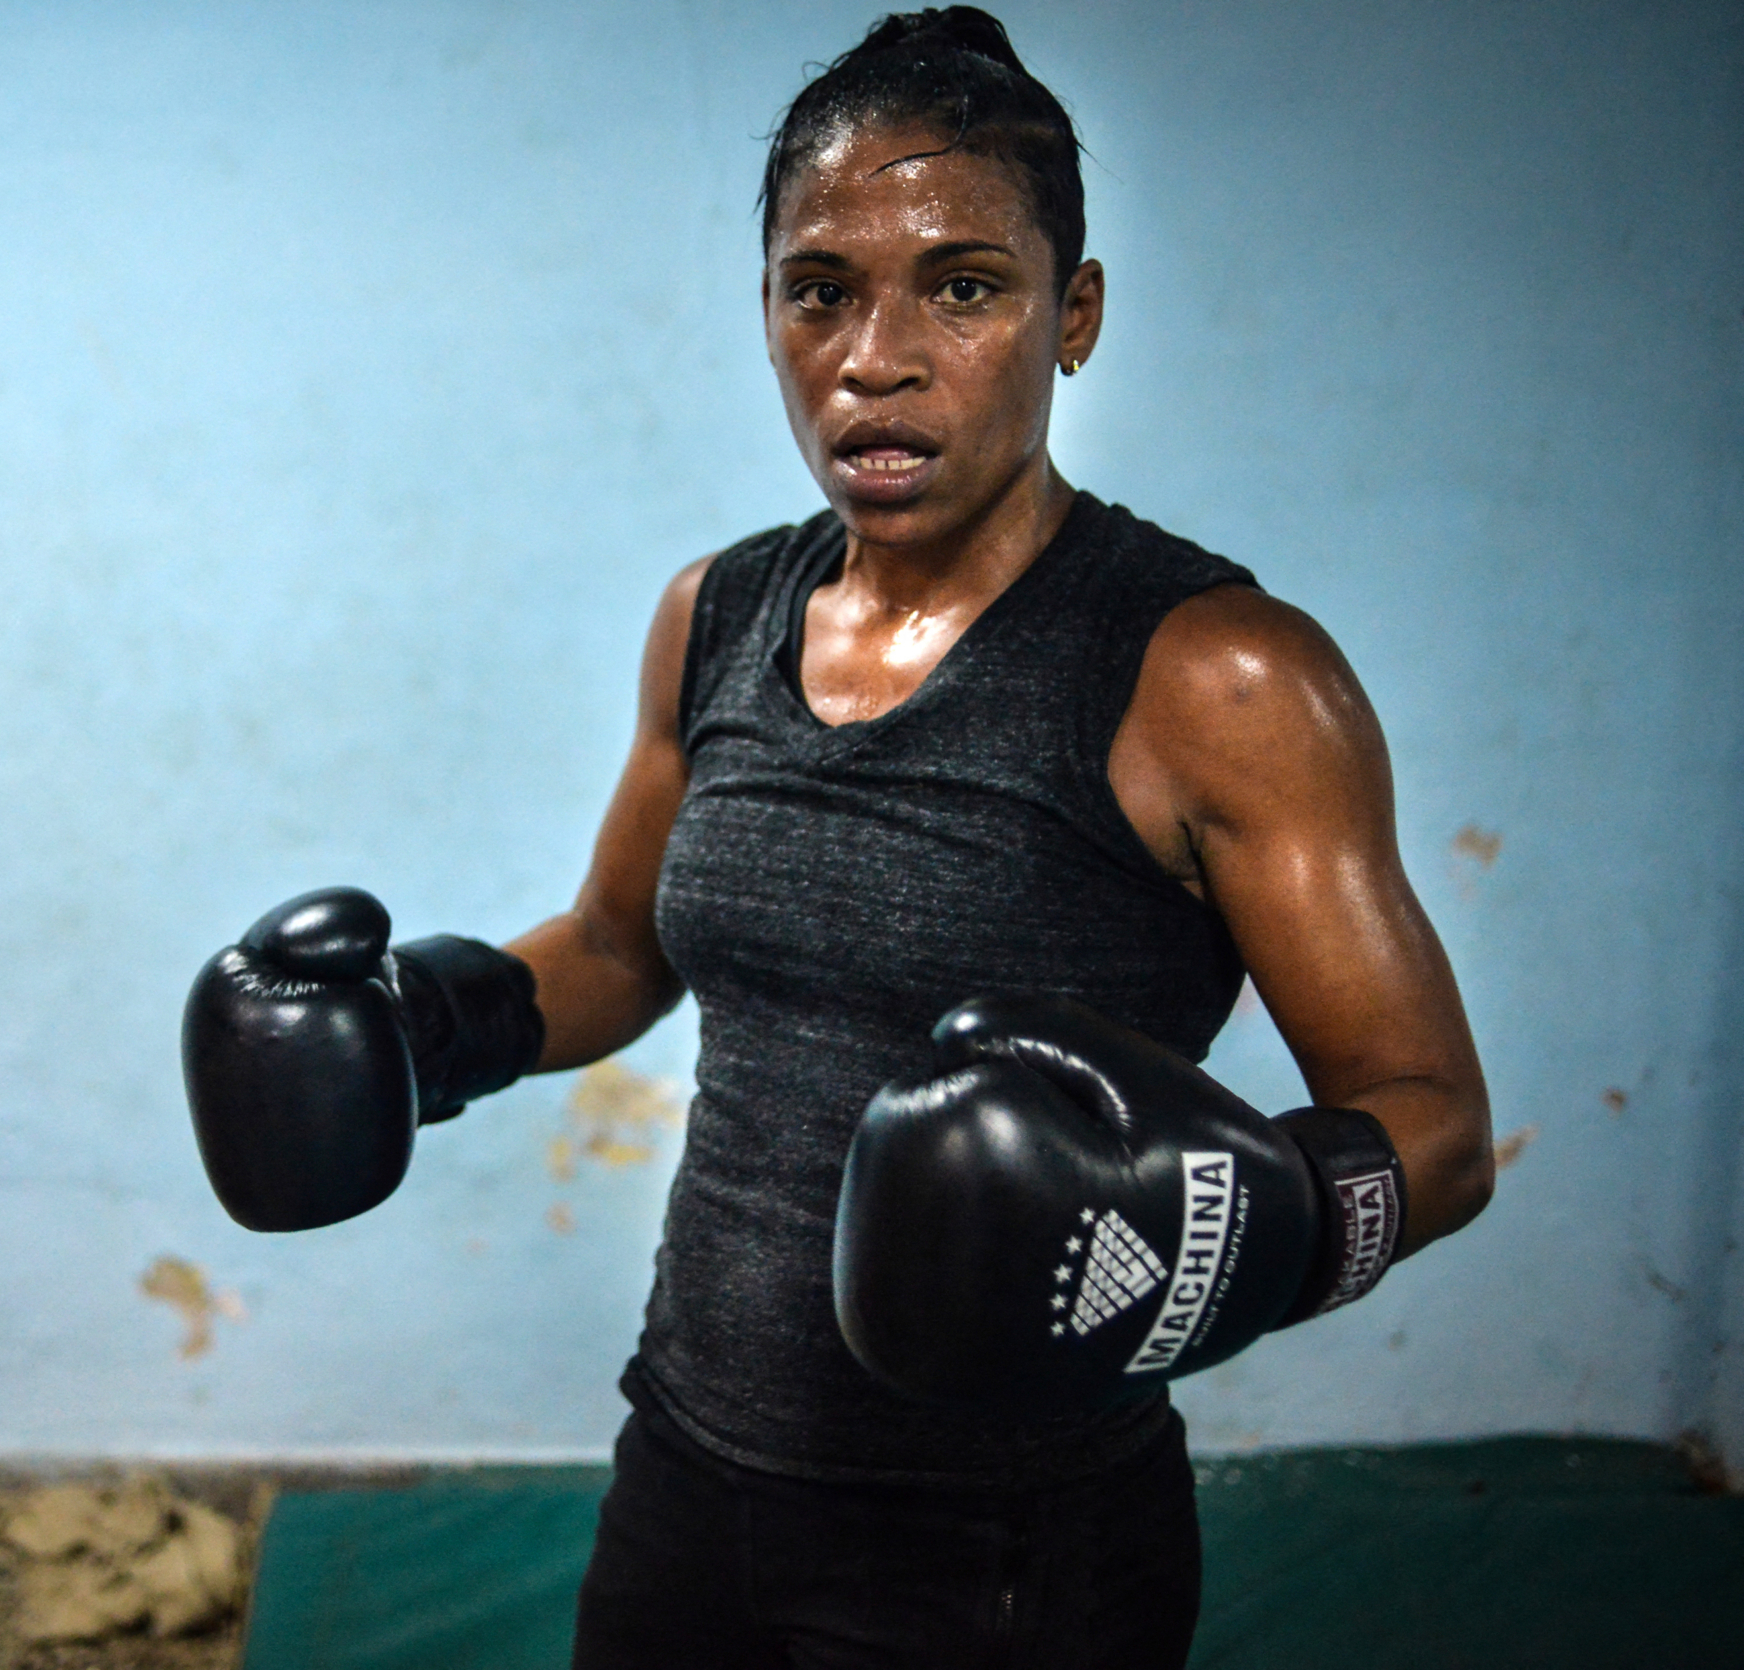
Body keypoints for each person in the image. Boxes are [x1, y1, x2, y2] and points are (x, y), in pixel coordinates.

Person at [181, 9, 1494, 1665]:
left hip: (1010, 1551)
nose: (877, 357)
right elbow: (615, 947)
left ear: (1075, 316)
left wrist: (1254, 1225)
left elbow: (1436, 1123)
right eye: (821, 291)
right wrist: (428, 1021)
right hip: (688, 1463)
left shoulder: (1218, 674)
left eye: (965, 287)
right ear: (770, 314)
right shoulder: (718, 613)